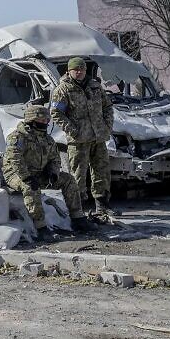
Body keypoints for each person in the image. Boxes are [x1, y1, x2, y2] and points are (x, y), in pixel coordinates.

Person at [2, 104, 92, 239]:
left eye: (46, 121)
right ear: (31, 120)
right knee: (30, 187)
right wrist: (26, 177)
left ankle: (78, 218)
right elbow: (15, 159)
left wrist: (53, 173)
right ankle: (41, 226)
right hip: (16, 175)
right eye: (42, 121)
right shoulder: (17, 137)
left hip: (39, 173)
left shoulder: (48, 139)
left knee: (68, 179)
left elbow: (55, 159)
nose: (45, 124)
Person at [50, 56, 115, 218]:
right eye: (75, 69)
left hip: (98, 137)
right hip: (78, 140)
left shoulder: (95, 86)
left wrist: (107, 126)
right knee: (78, 174)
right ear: (69, 71)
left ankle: (102, 206)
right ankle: (78, 210)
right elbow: (56, 113)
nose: (79, 72)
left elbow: (107, 107)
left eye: (82, 69)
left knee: (102, 171)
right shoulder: (63, 89)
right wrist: (73, 130)